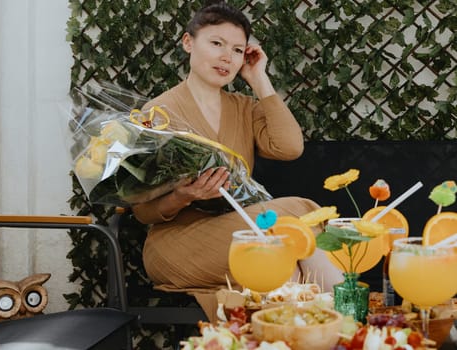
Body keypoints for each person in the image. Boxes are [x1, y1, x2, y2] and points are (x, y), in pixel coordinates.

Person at [132, 0, 342, 322]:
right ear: (188, 43)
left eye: (237, 50)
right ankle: (352, 323)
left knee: (289, 276)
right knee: (297, 212)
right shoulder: (157, 113)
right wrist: (184, 195)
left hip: (243, 234)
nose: (226, 57)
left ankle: (325, 332)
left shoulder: (244, 107)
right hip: (177, 243)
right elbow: (142, 210)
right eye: (216, 43)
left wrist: (259, 79)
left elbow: (289, 147)